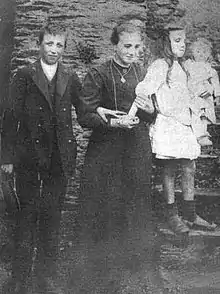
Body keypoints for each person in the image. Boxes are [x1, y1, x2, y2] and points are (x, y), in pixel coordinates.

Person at [1, 23, 81, 294]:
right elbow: (10, 117)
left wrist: (109, 114)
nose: (54, 50)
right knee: (26, 218)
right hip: (29, 157)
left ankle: (46, 279)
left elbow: (85, 109)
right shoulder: (24, 75)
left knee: (52, 218)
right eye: (50, 44)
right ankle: (19, 279)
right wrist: (7, 158)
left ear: (64, 48)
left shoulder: (70, 77)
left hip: (59, 158)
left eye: (59, 45)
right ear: (40, 44)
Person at [132, 24, 217, 234]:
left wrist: (207, 89)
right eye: (177, 40)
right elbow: (144, 89)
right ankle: (172, 215)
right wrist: (132, 113)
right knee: (168, 169)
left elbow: (196, 88)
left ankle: (190, 213)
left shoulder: (185, 66)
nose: (182, 44)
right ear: (166, 44)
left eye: (184, 40)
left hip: (185, 123)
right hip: (168, 124)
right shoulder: (161, 66)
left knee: (189, 167)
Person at [77, 21, 156, 243]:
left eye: (136, 47)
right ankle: (102, 270)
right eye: (127, 46)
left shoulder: (143, 73)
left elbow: (152, 114)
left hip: (135, 149)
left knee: (133, 206)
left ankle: (132, 268)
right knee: (106, 206)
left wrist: (150, 109)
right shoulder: (98, 73)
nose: (132, 52)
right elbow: (85, 115)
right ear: (115, 45)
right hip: (106, 151)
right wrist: (112, 124)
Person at [184, 37, 220, 146]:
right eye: (198, 51)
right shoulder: (188, 64)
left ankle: (203, 135)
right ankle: (198, 135)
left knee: (204, 115)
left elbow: (215, 80)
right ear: (192, 52)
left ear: (208, 54)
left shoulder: (209, 67)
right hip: (193, 94)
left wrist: (217, 95)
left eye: (204, 52)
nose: (201, 54)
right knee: (195, 113)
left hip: (205, 95)